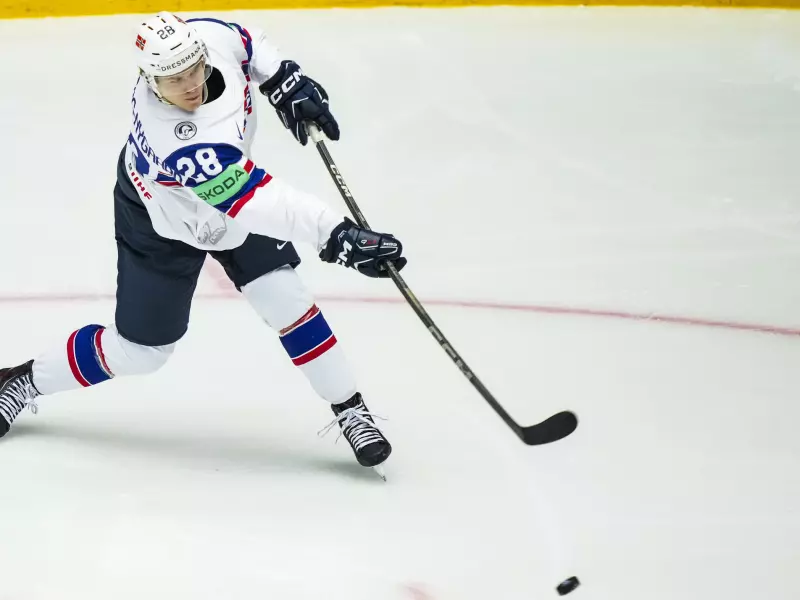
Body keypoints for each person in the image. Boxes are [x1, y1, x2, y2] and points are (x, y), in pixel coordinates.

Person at [0, 11, 407, 476]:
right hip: (161, 220)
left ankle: (350, 408)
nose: (191, 84)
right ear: (150, 79)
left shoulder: (209, 38)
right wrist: (336, 234)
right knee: (141, 352)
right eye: (174, 79)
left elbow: (247, 41)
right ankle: (24, 381)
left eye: (194, 69)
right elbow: (255, 201)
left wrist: (281, 77)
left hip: (233, 199)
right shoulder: (180, 141)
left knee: (286, 299)